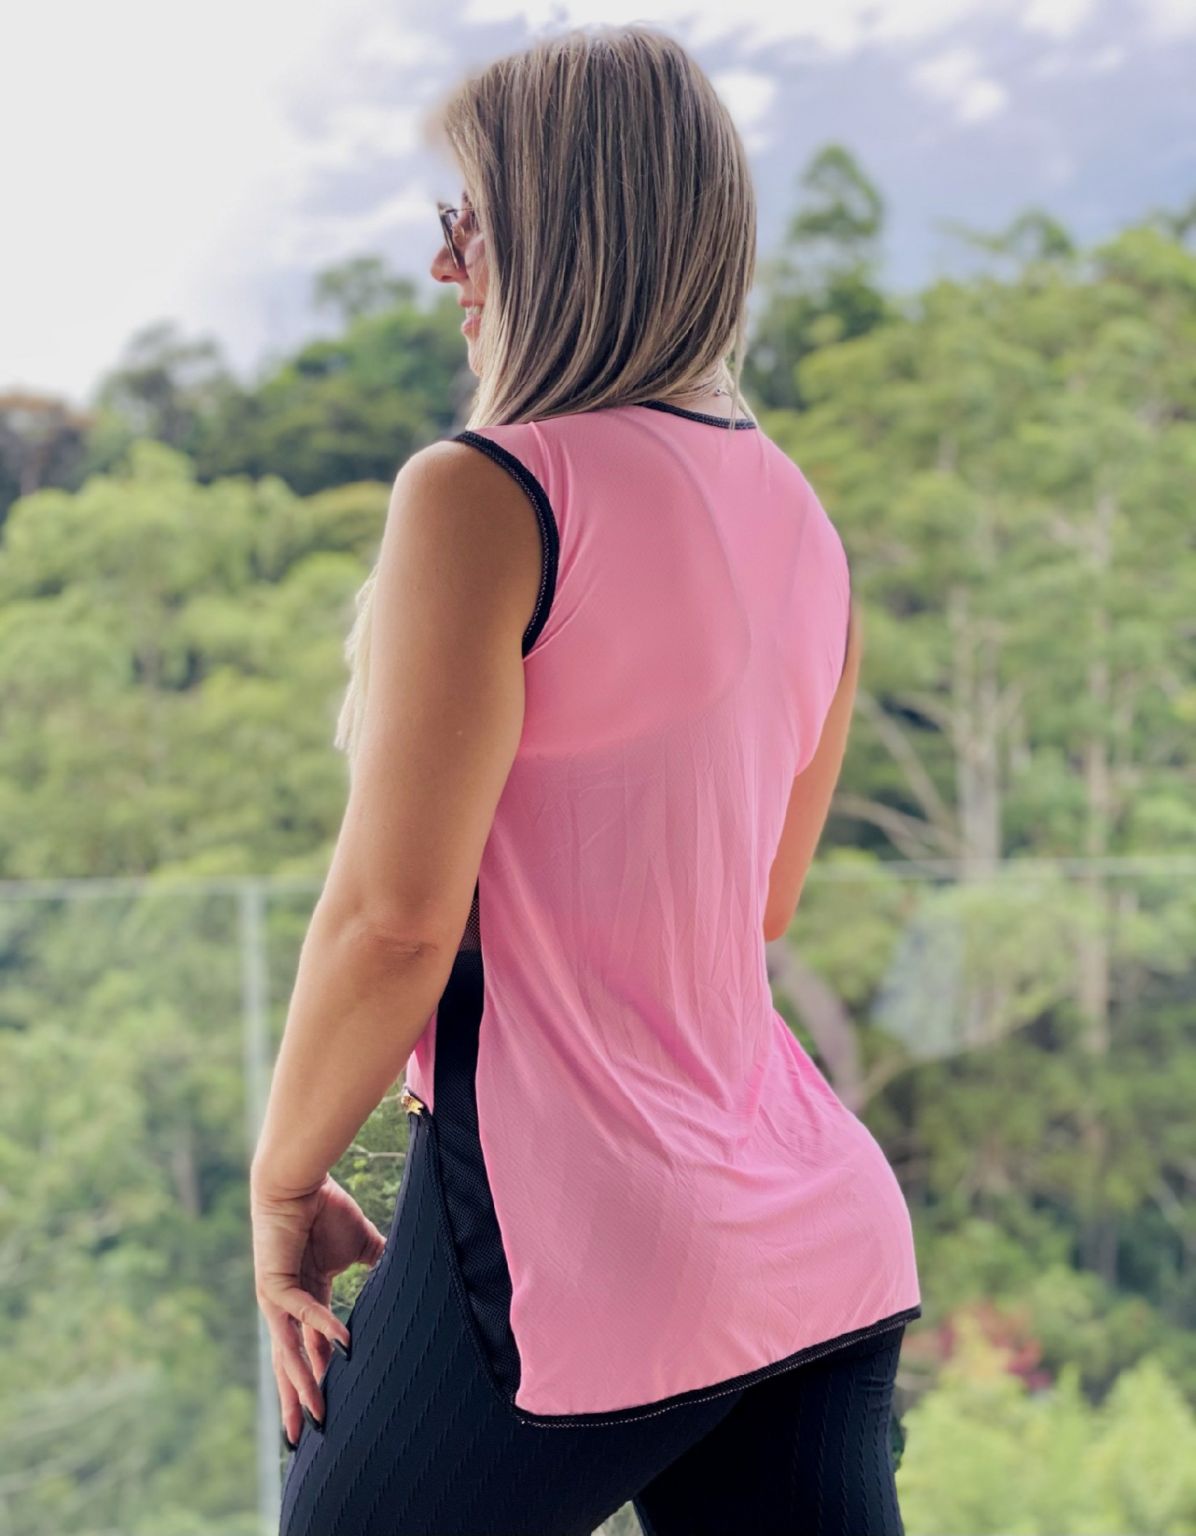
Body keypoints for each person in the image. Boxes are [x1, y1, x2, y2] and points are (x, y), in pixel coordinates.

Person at [251, 21, 922, 1536]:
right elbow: (758, 901)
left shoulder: (483, 491)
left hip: (582, 1239)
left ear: (561, 235)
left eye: (468, 221)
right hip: (814, 1242)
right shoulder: (802, 519)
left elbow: (396, 921)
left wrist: (283, 1182)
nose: (446, 265)